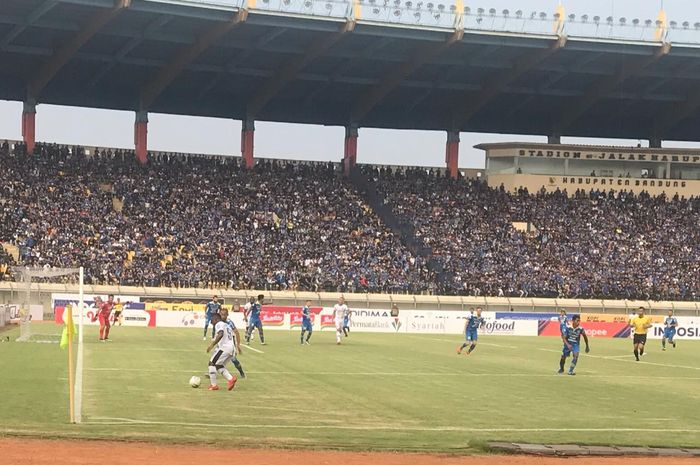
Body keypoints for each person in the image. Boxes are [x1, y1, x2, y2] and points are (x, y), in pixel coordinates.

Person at [205, 312, 237, 391]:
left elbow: (221, 334)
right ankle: (231, 379)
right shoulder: (226, 325)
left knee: (211, 363)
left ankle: (214, 385)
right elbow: (232, 336)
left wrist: (212, 345)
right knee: (218, 365)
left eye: (212, 320)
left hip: (225, 348)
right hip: (231, 348)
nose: (211, 322)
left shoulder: (218, 324)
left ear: (216, 319)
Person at [220, 309, 246, 379]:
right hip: (222, 343)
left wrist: (238, 345)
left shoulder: (229, 322)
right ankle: (211, 372)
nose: (222, 316)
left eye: (224, 314)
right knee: (216, 358)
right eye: (221, 314)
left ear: (227, 315)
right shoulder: (219, 321)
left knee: (233, 359)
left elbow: (237, 332)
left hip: (230, 343)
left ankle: (241, 372)